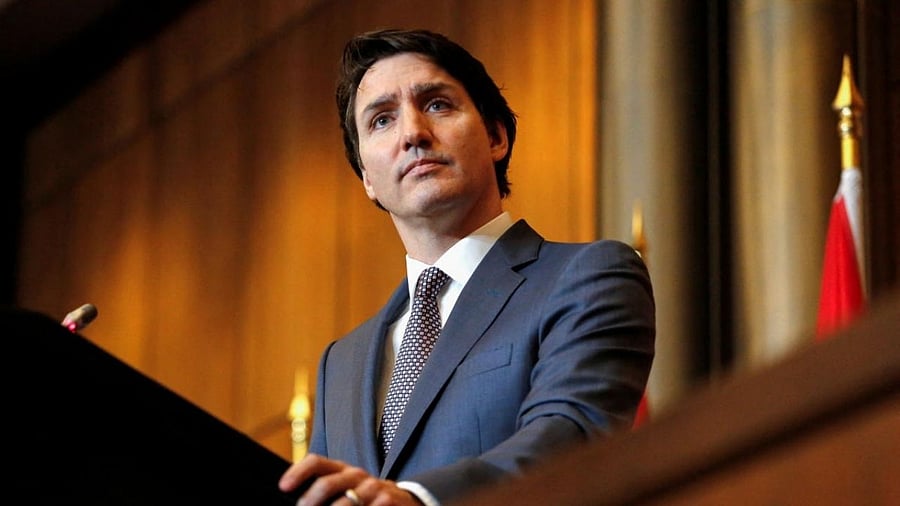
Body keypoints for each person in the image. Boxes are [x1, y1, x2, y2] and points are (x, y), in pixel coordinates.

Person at [278, 28, 655, 506]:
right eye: (381, 120)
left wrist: (418, 499)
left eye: (437, 104)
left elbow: (572, 432)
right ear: (368, 178)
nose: (412, 133)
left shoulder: (588, 276)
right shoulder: (341, 364)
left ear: (496, 136)